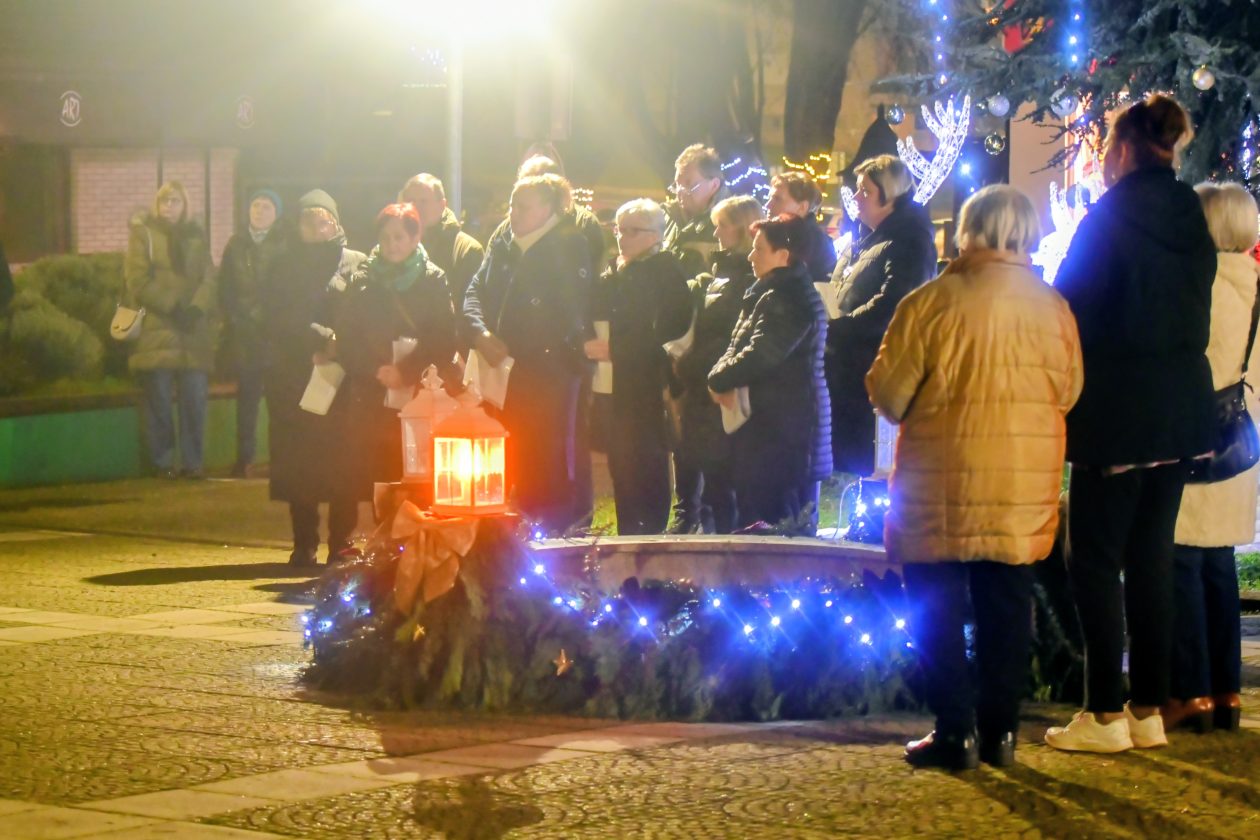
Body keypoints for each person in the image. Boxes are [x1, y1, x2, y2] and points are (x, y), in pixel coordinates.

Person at [867, 185, 1084, 770]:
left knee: (935, 607)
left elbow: (889, 393)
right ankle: (1001, 735)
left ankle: (954, 730)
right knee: (1007, 610)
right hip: (1018, 486)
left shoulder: (930, 302)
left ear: (968, 230)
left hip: (940, 484)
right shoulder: (1054, 308)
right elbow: (1069, 392)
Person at [1045, 94, 1217, 754]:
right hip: (1179, 411)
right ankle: (1148, 709)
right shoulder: (1188, 212)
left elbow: (1069, 301)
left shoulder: (1110, 215)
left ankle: (1104, 712)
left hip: (1117, 408)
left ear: (1119, 151)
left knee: (1089, 557)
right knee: (1150, 559)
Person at [1165, 183, 1260, 733]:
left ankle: (1192, 691)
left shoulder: (1198, 287)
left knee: (1181, 561)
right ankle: (1227, 694)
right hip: (1241, 442)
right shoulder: (1254, 288)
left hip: (1194, 433)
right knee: (1219, 564)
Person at [463, 174, 593, 533]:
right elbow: (474, 290)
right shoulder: (503, 242)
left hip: (547, 375)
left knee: (546, 461)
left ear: (550, 209)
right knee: (508, 458)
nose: (513, 213)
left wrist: (522, 350)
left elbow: (572, 311)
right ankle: (510, 541)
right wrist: (479, 332)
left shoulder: (569, 246)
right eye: (511, 204)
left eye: (523, 207)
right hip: (498, 373)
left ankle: (551, 542)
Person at [708, 214, 832, 533]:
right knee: (760, 519)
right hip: (772, 429)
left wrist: (719, 379)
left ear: (783, 255)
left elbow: (763, 352)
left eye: (759, 249)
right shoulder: (771, 291)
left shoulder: (787, 297)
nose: (751, 256)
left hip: (783, 432)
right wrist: (720, 373)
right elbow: (738, 345)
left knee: (775, 527)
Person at [262, 189, 365, 566]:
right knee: (300, 465)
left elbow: (368, 313)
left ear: (337, 222)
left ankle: (343, 543)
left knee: (345, 464)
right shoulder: (283, 267)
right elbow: (277, 316)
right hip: (296, 378)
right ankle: (304, 543)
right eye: (310, 221)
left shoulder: (357, 263)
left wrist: (343, 343)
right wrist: (321, 338)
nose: (319, 228)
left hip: (344, 380)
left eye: (326, 220)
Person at [336, 202, 462, 499]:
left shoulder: (433, 279)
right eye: (385, 238)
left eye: (399, 238)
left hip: (420, 391)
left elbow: (444, 337)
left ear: (415, 238)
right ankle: (387, 538)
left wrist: (405, 371)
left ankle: (415, 537)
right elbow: (347, 337)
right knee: (377, 471)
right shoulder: (364, 278)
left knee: (419, 467)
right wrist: (375, 370)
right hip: (373, 393)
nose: (391, 245)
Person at [585, 199, 692, 534]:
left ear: (655, 235)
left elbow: (670, 331)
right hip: (617, 387)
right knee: (622, 466)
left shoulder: (665, 272)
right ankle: (629, 535)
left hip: (646, 387)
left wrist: (616, 349)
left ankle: (647, 537)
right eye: (619, 229)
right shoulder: (618, 269)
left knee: (645, 466)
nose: (623, 237)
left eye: (633, 231)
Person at [825, 154, 937, 477]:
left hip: (878, 363)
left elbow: (894, 303)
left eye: (865, 191)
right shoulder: (864, 240)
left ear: (889, 194)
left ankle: (873, 524)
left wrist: (839, 328)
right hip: (852, 364)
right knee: (858, 458)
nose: (856, 198)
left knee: (876, 459)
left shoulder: (908, 240)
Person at [675, 195, 764, 533]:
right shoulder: (719, 274)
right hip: (704, 386)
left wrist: (692, 364)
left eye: (723, 226)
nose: (717, 233)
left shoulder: (746, 279)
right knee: (709, 477)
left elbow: (730, 334)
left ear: (742, 229)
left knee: (724, 481)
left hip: (721, 387)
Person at [124, 181, 216, 479]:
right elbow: (137, 280)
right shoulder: (144, 235)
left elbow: (208, 278)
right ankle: (161, 463)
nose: (169, 207)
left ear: (184, 205)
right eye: (165, 201)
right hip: (158, 328)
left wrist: (195, 308)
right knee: (159, 402)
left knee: (194, 402)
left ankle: (193, 463)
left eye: (175, 201)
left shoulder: (196, 237)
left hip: (191, 331)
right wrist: (172, 305)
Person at [663, 143, 732, 533]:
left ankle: (702, 513)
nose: (680, 192)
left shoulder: (722, 224)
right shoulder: (676, 224)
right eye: (677, 184)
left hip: (707, 342)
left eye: (689, 184)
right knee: (682, 430)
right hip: (679, 341)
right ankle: (686, 509)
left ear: (714, 184)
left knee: (704, 432)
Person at [218, 188, 287, 478]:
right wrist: (236, 318)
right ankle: (244, 459)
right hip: (245, 334)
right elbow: (225, 288)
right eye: (256, 205)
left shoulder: (284, 244)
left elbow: (286, 289)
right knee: (246, 400)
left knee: (277, 401)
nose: (260, 211)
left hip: (274, 336)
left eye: (267, 206)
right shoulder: (236, 244)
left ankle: (280, 460)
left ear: (277, 213)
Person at [398, 173, 484, 307]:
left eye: (424, 201)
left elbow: (470, 308)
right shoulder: (393, 243)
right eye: (410, 201)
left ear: (442, 205)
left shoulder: (466, 250)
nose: (416, 207)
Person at [766, 171, 837, 283]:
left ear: (802, 207)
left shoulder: (808, 243)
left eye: (777, 199)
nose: (768, 205)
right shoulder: (785, 235)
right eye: (769, 198)